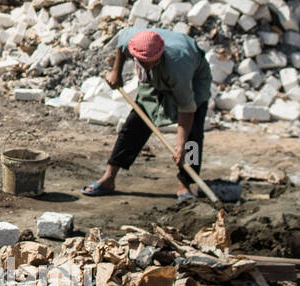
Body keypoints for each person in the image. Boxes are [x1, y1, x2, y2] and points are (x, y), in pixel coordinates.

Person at [82, 27, 212, 202]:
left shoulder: (178, 66)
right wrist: (116, 72)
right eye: (141, 62)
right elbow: (121, 46)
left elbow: (186, 108)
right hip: (154, 78)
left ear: (159, 55)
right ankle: (109, 178)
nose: (146, 65)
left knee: (192, 137)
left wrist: (180, 145)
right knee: (135, 123)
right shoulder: (131, 41)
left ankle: (185, 184)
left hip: (194, 78)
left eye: (150, 61)